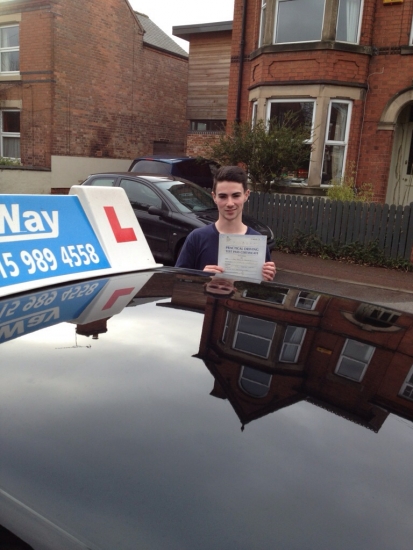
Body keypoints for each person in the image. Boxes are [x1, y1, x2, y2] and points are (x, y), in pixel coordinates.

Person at [175, 165, 276, 281]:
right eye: (223, 196)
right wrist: (201, 278)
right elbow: (178, 284)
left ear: (246, 195)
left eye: (236, 195)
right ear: (214, 197)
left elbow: (258, 294)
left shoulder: (257, 242)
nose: (230, 203)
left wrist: (267, 281)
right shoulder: (196, 238)